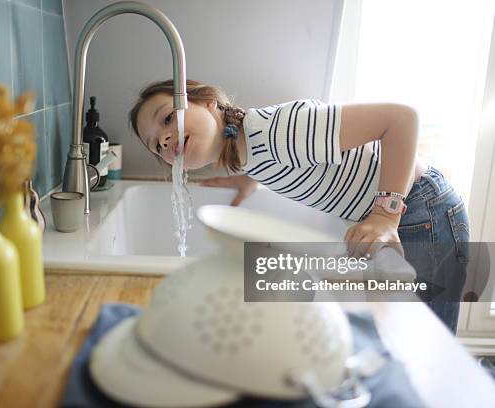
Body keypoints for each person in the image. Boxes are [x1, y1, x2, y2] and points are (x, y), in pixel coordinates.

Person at [129, 79, 470, 333]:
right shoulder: (250, 146)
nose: (164, 139)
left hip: (425, 212)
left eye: (167, 119)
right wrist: (249, 177)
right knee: (402, 338)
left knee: (427, 343)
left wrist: (384, 214)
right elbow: (283, 160)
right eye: (155, 144)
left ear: (205, 101)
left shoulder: (278, 131)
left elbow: (402, 119)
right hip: (411, 214)